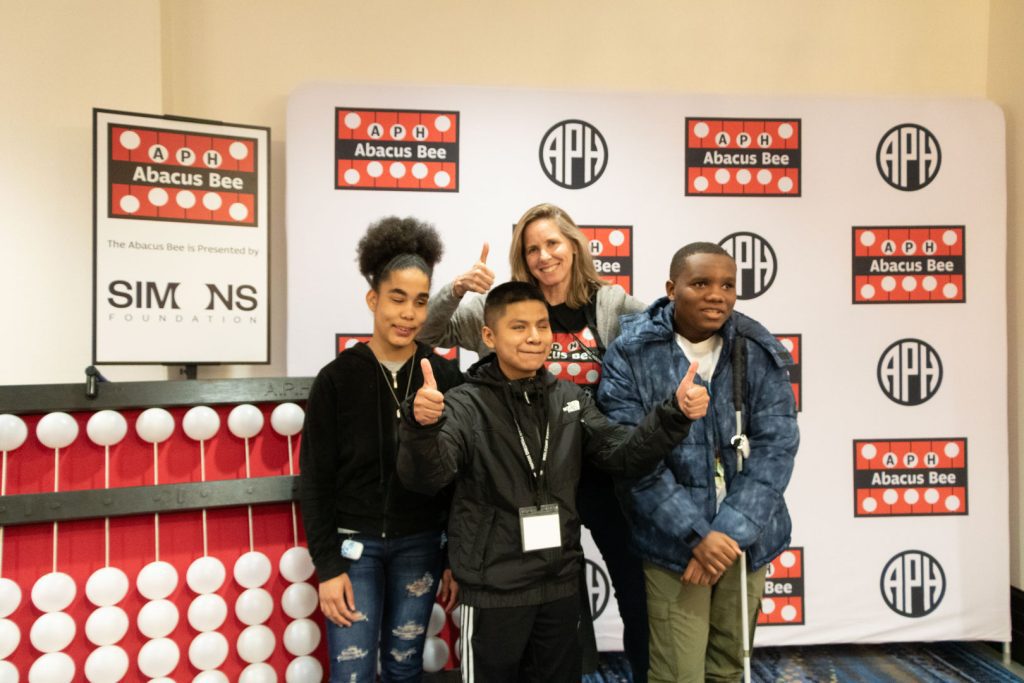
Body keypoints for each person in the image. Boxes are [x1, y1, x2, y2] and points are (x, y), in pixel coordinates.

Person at [397, 281, 708, 683]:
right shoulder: (464, 403)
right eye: (519, 327)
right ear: (488, 335)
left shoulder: (569, 397)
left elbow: (622, 453)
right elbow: (429, 477)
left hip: (559, 584)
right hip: (494, 590)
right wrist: (421, 428)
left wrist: (673, 415)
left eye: (542, 326)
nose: (534, 337)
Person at [417, 203, 650, 680]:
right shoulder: (497, 307)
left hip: (599, 469)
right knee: (534, 604)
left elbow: (669, 329)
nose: (544, 256)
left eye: (553, 244)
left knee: (637, 594)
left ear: (573, 245)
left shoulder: (610, 305)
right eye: (532, 248)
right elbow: (426, 331)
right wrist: (458, 288)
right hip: (526, 479)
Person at [597, 242, 799, 683]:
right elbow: (632, 459)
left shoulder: (755, 348)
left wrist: (728, 533)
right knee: (678, 674)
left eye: (727, 285)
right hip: (674, 547)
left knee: (729, 668)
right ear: (672, 289)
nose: (716, 295)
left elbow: (777, 447)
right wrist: (696, 536)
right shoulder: (631, 352)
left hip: (744, 542)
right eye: (701, 283)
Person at [298, 217, 463, 683]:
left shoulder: (444, 377)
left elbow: (457, 478)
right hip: (354, 550)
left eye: (420, 301)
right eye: (396, 298)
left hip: (422, 546)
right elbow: (315, 480)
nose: (408, 313)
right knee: (351, 671)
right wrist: (328, 567)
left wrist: (452, 558)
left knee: (405, 665)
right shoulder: (337, 378)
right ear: (373, 299)